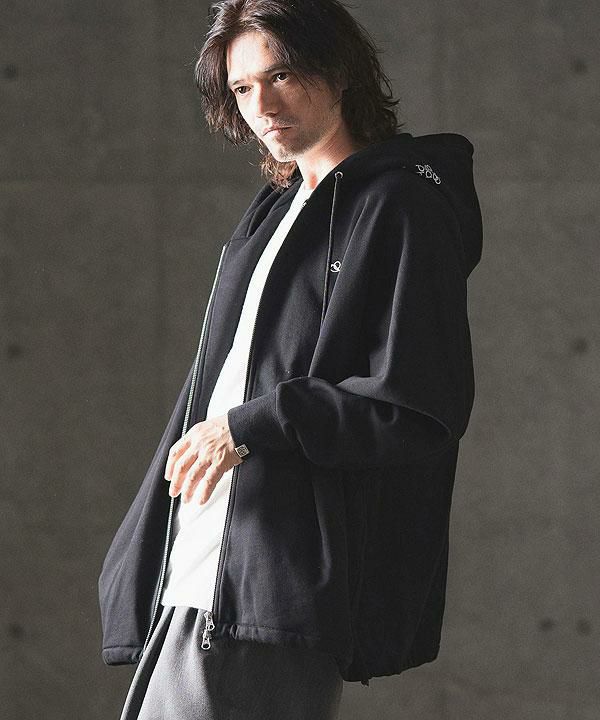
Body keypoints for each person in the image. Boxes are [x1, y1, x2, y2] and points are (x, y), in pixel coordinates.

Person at [98, 1, 483, 718]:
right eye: (243, 87)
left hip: (273, 581)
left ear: (338, 70)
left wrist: (249, 425)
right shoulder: (276, 211)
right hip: (200, 566)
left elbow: (416, 403)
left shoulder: (398, 205)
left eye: (282, 75)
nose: (263, 105)